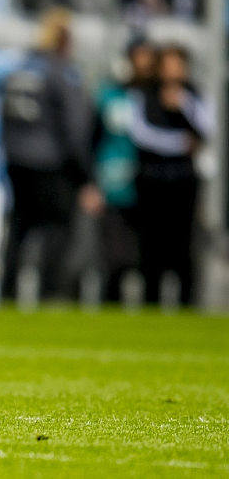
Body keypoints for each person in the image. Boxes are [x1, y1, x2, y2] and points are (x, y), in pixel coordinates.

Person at [1, 8, 100, 300]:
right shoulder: (61, 72)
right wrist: (86, 177)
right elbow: (75, 127)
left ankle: (7, 291)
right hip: (50, 163)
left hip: (16, 160)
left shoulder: (19, 69)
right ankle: (50, 291)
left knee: (18, 229)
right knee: (56, 230)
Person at [129, 45, 212, 305]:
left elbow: (208, 128)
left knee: (183, 245)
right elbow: (141, 134)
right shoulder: (144, 94)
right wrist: (179, 143)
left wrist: (183, 105)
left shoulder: (195, 95)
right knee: (152, 245)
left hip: (183, 179)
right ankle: (150, 301)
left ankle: (187, 302)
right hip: (152, 178)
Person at [92, 36, 157, 301]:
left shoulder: (156, 97)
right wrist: (91, 183)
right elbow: (91, 139)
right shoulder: (110, 95)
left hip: (151, 186)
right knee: (115, 260)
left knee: (148, 260)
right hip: (115, 186)